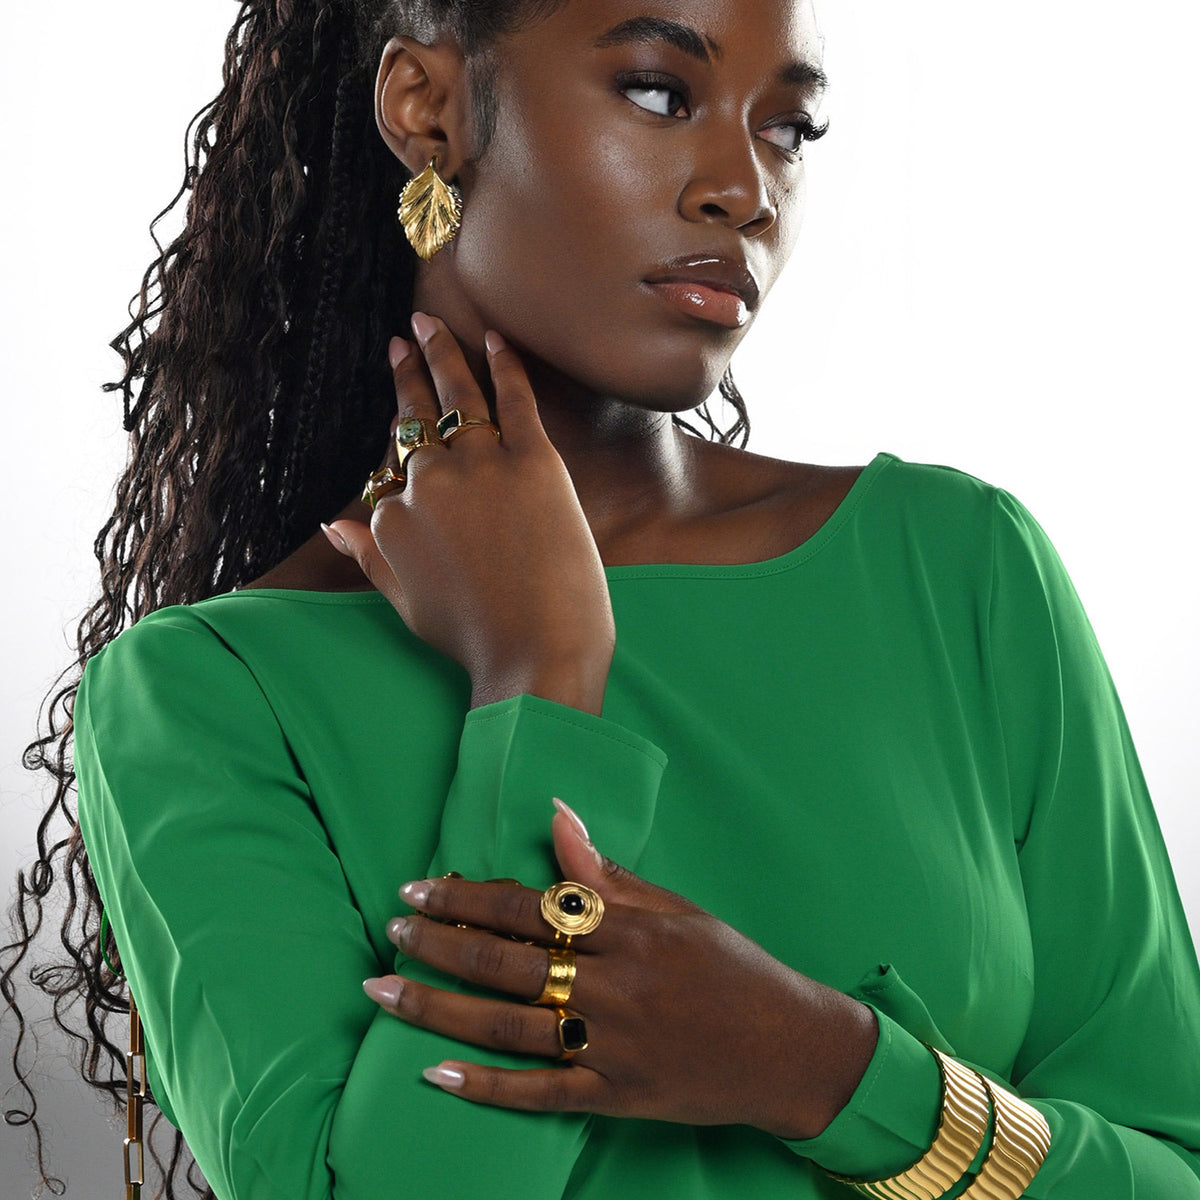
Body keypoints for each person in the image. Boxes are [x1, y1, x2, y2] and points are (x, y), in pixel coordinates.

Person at [4, 0, 1199, 1198]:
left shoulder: (957, 571)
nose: (745, 191)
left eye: (788, 129)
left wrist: (823, 1067)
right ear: (428, 109)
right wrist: (539, 679)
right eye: (660, 93)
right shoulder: (210, 696)